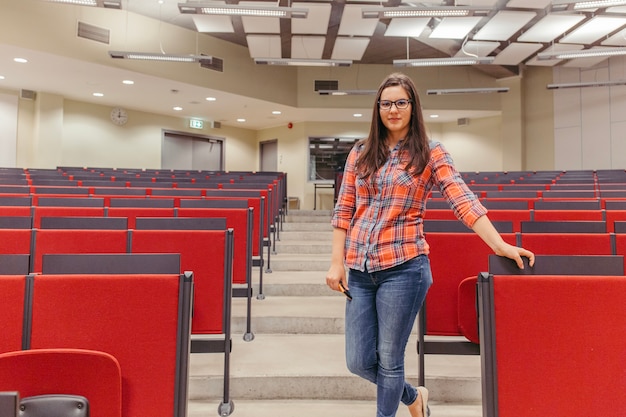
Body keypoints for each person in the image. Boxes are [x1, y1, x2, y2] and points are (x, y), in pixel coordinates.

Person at [325, 72, 535, 417]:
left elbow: (462, 200)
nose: (393, 109)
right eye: (386, 103)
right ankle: (414, 398)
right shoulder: (361, 152)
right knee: (359, 361)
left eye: (401, 102)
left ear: (413, 106)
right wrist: (336, 263)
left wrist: (499, 245)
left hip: (405, 268)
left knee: (391, 360)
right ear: (377, 108)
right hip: (360, 271)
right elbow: (344, 209)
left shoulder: (430, 153)